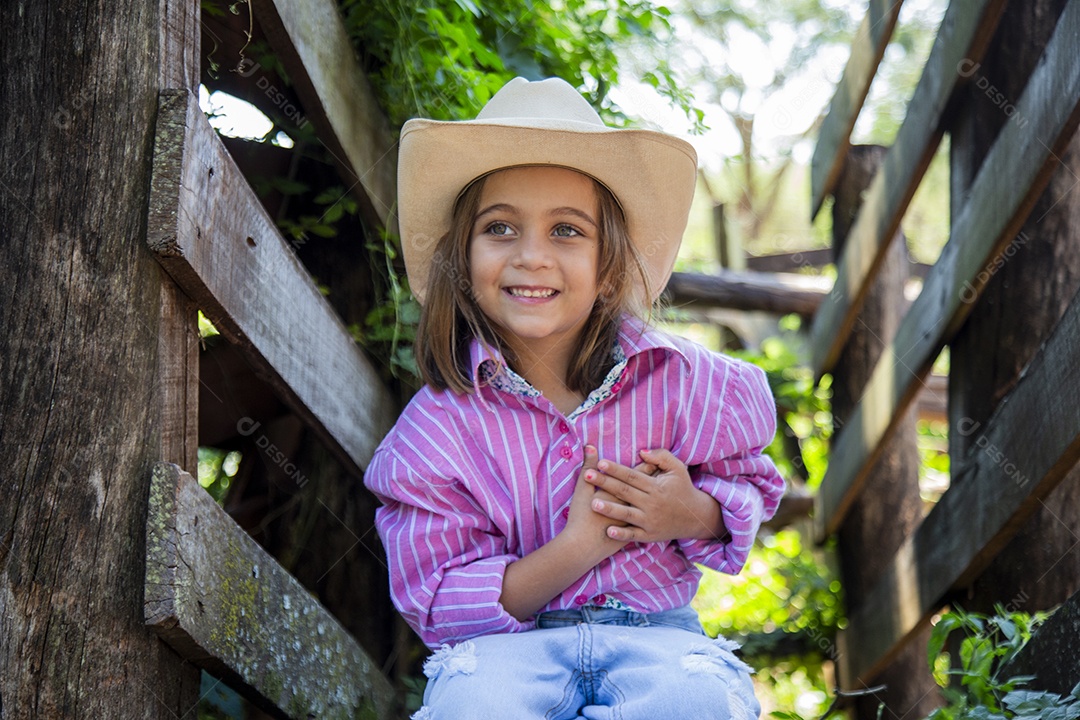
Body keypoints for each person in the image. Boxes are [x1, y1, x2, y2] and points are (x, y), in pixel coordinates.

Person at [365, 76, 786, 720]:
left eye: (567, 231)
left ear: (609, 266)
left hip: (658, 637)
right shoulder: (436, 431)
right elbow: (440, 603)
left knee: (698, 702)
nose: (532, 257)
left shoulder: (688, 385)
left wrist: (690, 513)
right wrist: (578, 547)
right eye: (500, 227)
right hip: (508, 649)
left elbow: (750, 488)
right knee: (474, 708)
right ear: (462, 257)